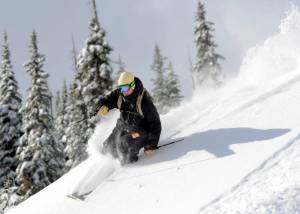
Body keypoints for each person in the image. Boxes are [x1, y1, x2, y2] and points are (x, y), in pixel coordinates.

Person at [97, 71, 161, 164]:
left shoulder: (144, 102)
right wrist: (104, 105)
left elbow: (155, 124)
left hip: (139, 132)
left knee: (126, 149)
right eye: (121, 88)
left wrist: (151, 146)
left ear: (132, 85)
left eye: (125, 88)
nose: (123, 92)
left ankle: (127, 171)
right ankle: (103, 170)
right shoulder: (120, 94)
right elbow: (108, 99)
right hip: (121, 126)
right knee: (107, 147)